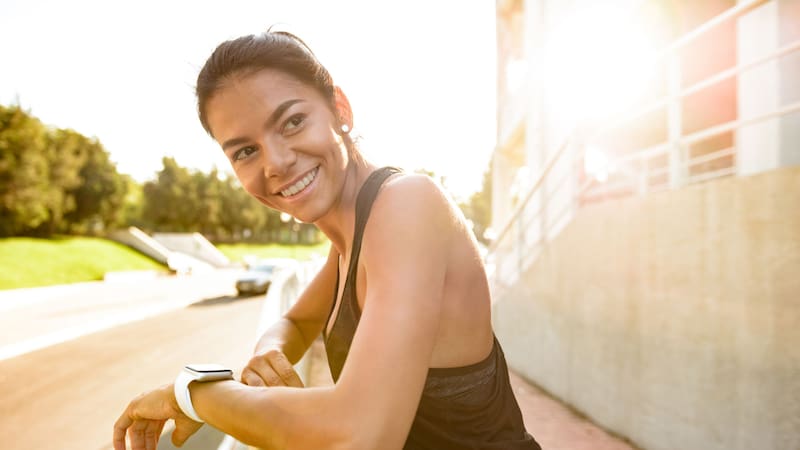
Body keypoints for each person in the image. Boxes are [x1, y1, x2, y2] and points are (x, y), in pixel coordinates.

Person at [113, 29, 541, 450]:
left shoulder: (407, 204)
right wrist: (270, 349)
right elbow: (296, 323)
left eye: (293, 122)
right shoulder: (347, 245)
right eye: (245, 151)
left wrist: (194, 394)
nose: (276, 163)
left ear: (339, 108)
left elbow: (361, 433)